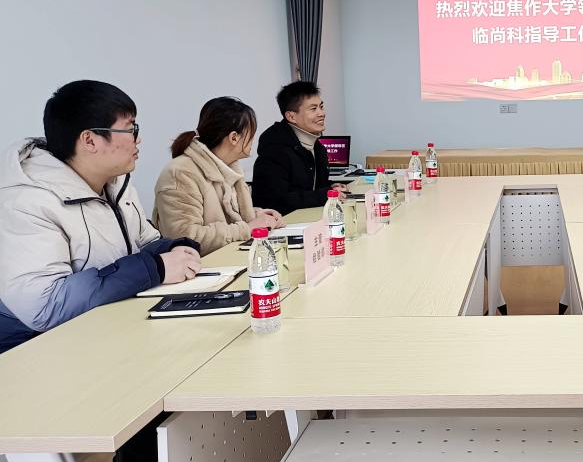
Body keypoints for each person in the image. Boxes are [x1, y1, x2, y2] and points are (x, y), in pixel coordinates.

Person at [0, 80, 200, 354]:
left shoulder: (116, 183)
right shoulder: (27, 200)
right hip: (32, 348)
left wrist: (175, 248)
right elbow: (45, 306)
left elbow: (146, 242)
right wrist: (155, 268)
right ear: (90, 140)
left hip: (106, 329)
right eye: (130, 129)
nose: (138, 139)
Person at [153, 97, 285, 256]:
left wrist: (258, 216)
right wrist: (248, 228)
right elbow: (184, 237)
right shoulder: (180, 173)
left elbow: (229, 218)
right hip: (200, 266)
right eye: (251, 133)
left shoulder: (229, 167)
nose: (253, 139)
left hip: (229, 259)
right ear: (234, 137)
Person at [252, 82, 345, 214]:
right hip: (284, 222)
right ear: (291, 116)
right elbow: (274, 201)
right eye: (313, 109)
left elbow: (309, 186)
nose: (321, 113)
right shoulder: (275, 150)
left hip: (311, 218)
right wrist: (325, 194)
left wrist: (331, 187)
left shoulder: (318, 148)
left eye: (321, 106)